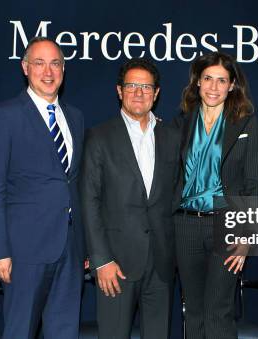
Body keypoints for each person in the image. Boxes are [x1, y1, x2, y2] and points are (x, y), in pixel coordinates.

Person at [0, 37, 85, 338]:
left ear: (63, 69)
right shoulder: (6, 114)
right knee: (20, 331)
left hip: (70, 248)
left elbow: (73, 184)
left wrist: (84, 245)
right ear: (25, 68)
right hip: (23, 250)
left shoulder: (74, 117)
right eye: (39, 63)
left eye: (55, 63)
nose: (48, 71)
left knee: (65, 331)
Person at [81, 58, 180, 338]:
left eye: (146, 87)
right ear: (119, 90)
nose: (139, 93)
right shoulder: (99, 137)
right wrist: (101, 260)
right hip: (116, 264)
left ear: (156, 93)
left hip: (161, 263)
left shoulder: (171, 136)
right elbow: (89, 200)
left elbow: (174, 195)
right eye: (132, 86)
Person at [173, 51, 258, 339]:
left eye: (221, 80)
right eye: (208, 78)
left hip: (227, 223)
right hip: (185, 224)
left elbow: (252, 183)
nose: (213, 87)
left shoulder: (245, 122)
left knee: (218, 310)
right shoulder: (181, 122)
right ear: (197, 82)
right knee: (194, 310)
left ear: (232, 85)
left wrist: (248, 237)